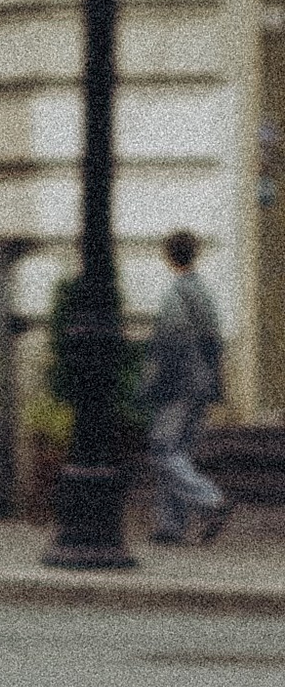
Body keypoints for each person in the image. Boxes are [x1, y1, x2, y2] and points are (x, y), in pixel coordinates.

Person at [145, 230, 228, 546]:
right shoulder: (204, 292)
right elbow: (214, 343)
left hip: (178, 386)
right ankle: (171, 527)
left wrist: (152, 384)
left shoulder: (175, 295)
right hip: (202, 385)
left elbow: (170, 343)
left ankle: (211, 500)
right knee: (180, 451)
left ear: (169, 256)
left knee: (163, 448)